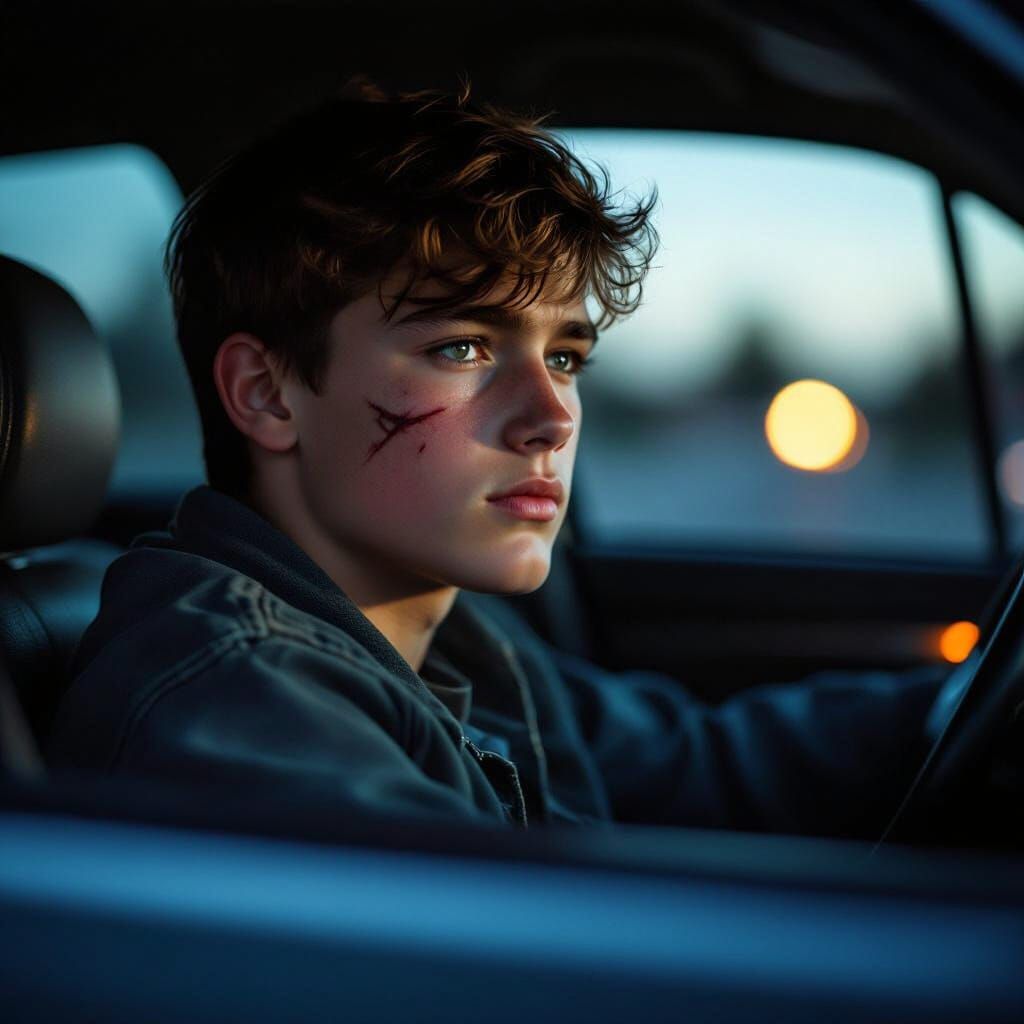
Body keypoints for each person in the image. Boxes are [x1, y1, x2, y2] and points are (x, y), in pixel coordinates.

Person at [46, 75, 947, 836]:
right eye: (463, 348)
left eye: (565, 357)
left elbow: (698, 763)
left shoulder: (443, 629)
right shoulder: (236, 706)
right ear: (267, 393)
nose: (553, 418)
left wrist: (957, 707)